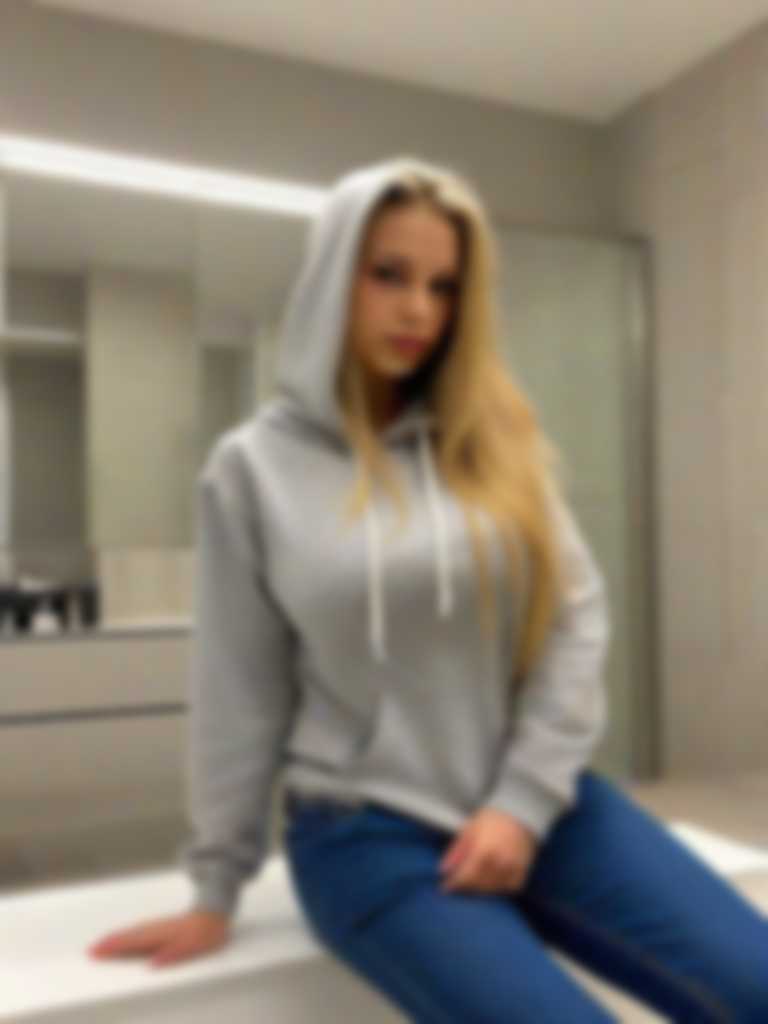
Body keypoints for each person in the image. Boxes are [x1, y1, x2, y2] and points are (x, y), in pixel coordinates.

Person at [88, 156, 768, 1021]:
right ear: (333, 276)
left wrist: (522, 802)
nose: (418, 309)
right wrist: (214, 887)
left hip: (541, 802)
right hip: (367, 835)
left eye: (443, 287)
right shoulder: (251, 469)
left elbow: (576, 618)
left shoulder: (492, 438)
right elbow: (239, 689)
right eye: (389, 274)